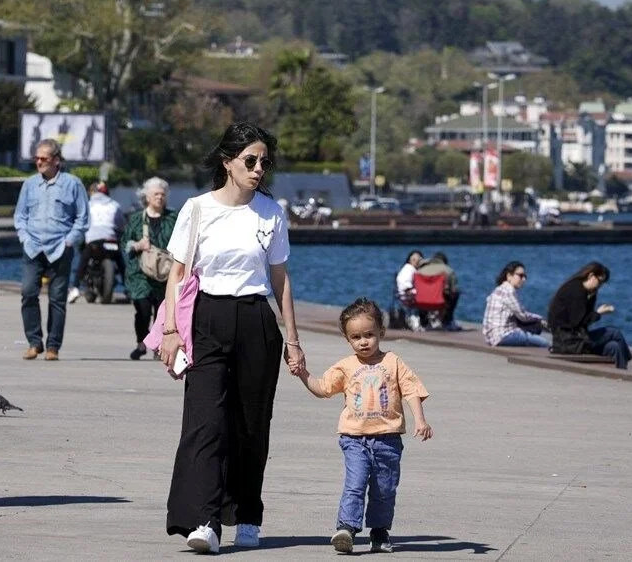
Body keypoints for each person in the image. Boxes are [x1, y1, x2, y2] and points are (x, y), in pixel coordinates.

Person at [159, 122, 305, 553]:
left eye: (264, 161)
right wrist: (171, 330)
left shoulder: (271, 212)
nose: (259, 168)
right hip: (206, 317)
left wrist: (293, 341)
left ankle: (246, 514)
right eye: (250, 160)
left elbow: (280, 280)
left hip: (257, 321)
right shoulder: (197, 209)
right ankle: (203, 520)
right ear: (228, 162)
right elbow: (178, 274)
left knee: (250, 424)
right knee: (205, 423)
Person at [293, 298, 432, 554]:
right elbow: (323, 388)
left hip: (388, 438)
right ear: (348, 339)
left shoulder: (393, 362)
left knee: (384, 490)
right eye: (356, 337)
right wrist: (303, 373)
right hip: (354, 437)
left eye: (369, 335)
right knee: (355, 483)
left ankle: (379, 533)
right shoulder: (346, 366)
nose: (363, 342)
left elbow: (411, 390)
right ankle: (346, 528)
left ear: (381, 332)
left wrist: (420, 419)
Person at [14, 138, 89, 361]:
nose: (39, 162)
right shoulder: (29, 184)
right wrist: (25, 238)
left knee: (57, 299)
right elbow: (20, 216)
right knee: (28, 293)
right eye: (36, 158)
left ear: (56, 160)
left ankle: (53, 346)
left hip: (60, 248)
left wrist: (69, 241)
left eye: (44, 158)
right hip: (33, 247)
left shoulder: (73, 184)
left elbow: (82, 218)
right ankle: (34, 342)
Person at [122, 177, 177, 360]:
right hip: (141, 274)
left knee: (162, 311)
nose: (159, 198)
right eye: (156, 194)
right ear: (146, 196)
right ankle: (141, 343)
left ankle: (158, 346)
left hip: (166, 273)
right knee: (143, 309)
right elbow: (125, 243)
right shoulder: (137, 219)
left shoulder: (173, 218)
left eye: (162, 194)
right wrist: (137, 245)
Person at [548, 262, 632, 369]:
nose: (600, 286)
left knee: (614, 346)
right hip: (570, 342)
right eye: (600, 281)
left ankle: (622, 373)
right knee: (615, 333)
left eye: (603, 284)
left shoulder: (582, 290)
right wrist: (599, 313)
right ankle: (626, 362)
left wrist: (592, 298)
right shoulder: (576, 291)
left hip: (573, 341)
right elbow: (579, 322)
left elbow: (581, 320)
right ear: (591, 276)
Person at [72, 181, 126, 302]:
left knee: (82, 261)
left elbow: (81, 223)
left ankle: (75, 287)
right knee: (121, 263)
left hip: (93, 242)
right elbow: (121, 225)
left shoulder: (87, 205)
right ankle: (128, 288)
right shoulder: (115, 205)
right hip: (111, 241)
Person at [483, 261, 549, 347]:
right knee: (545, 343)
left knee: (534, 326)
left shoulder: (499, 289)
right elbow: (523, 316)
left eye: (525, 276)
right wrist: (540, 319)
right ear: (509, 276)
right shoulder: (508, 291)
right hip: (503, 336)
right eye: (520, 276)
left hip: (492, 337)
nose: (524, 279)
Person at [415, 252, 461, 331]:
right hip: (439, 301)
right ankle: (447, 321)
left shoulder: (419, 271)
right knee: (456, 294)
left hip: (420, 302)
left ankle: (423, 322)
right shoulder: (448, 270)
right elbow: (453, 289)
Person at [394, 250, 423, 331]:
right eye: (415, 259)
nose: (417, 261)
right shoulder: (409, 269)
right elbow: (406, 287)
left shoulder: (407, 268)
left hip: (402, 295)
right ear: (410, 260)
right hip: (407, 296)